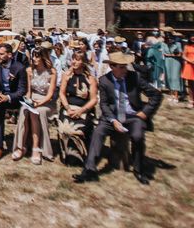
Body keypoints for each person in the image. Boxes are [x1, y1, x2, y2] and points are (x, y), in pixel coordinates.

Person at [73, 51, 163, 185]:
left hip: (133, 116)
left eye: (125, 66)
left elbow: (156, 95)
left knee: (138, 136)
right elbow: (103, 104)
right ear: (112, 67)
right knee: (98, 133)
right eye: (120, 67)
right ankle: (89, 169)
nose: (124, 70)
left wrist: (145, 113)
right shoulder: (104, 80)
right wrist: (113, 120)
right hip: (112, 117)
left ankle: (138, 169)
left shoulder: (135, 77)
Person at [12, 47, 57, 164]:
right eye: (33, 56)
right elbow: (29, 91)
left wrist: (38, 103)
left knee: (36, 112)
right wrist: (28, 100)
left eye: (37, 56)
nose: (34, 59)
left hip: (46, 101)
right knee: (24, 110)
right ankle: (21, 146)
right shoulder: (30, 70)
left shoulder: (52, 72)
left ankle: (36, 148)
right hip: (33, 99)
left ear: (43, 57)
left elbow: (50, 94)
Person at [58, 52, 98, 166]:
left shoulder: (90, 79)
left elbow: (93, 99)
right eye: (73, 59)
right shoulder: (67, 75)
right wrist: (67, 108)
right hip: (68, 107)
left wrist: (81, 111)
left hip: (84, 109)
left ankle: (81, 157)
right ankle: (67, 156)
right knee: (64, 128)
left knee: (78, 129)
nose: (74, 62)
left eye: (78, 60)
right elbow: (62, 93)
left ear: (84, 62)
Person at [164, 33, 183, 104]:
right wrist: (172, 55)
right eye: (168, 38)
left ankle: (176, 96)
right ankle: (171, 94)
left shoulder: (177, 44)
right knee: (169, 78)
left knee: (175, 78)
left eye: (170, 38)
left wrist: (170, 55)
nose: (169, 39)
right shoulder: (164, 44)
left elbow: (180, 54)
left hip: (176, 62)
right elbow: (164, 54)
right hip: (167, 62)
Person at [182, 35, 194, 109]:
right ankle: (191, 100)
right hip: (189, 66)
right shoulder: (187, 46)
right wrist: (190, 60)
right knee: (190, 85)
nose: (193, 39)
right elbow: (183, 56)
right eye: (192, 38)